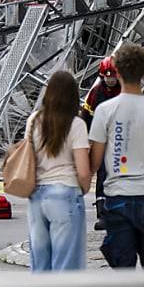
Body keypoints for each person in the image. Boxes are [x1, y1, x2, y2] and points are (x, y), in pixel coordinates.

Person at [89, 43, 144, 268]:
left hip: (118, 196)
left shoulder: (105, 111)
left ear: (116, 72)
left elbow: (94, 163)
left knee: (123, 270)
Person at [27, 71, 92, 272]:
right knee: (66, 267)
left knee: (40, 265)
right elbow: (83, 170)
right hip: (66, 192)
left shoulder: (34, 121)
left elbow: (28, 159)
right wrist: (84, 188)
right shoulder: (76, 124)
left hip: (37, 196)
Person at [80, 56, 121, 231]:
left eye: (113, 76)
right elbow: (86, 117)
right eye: (107, 76)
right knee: (103, 175)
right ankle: (103, 213)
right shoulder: (96, 93)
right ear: (102, 75)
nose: (110, 79)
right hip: (102, 141)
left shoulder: (124, 91)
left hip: (120, 140)